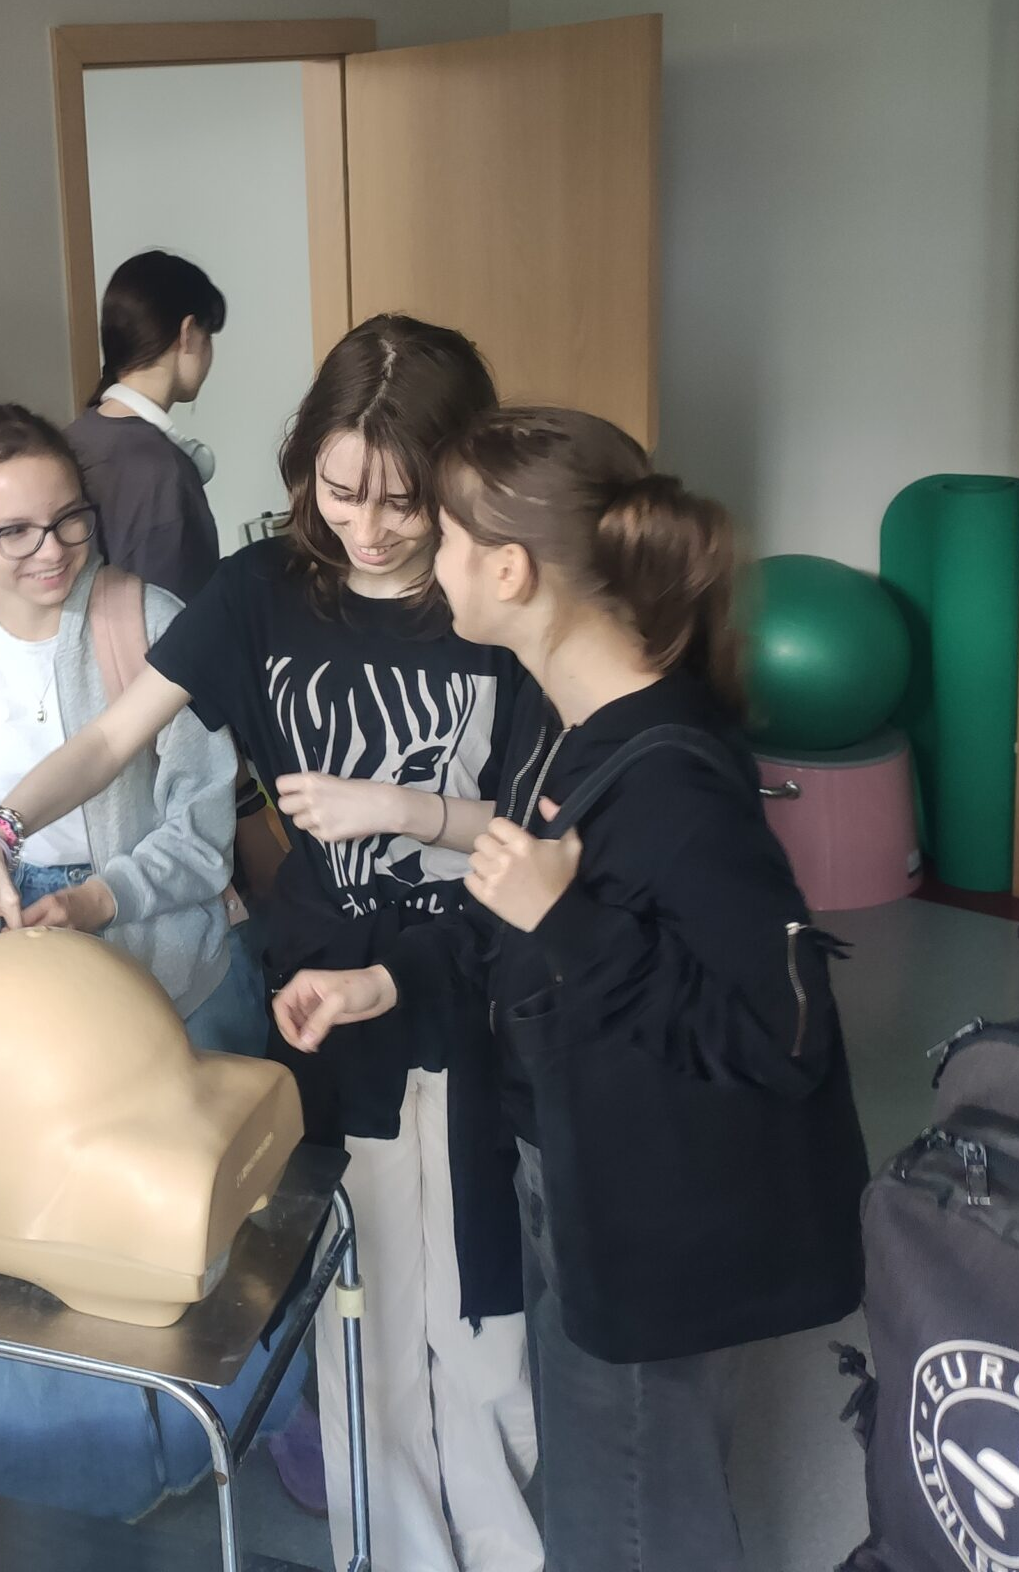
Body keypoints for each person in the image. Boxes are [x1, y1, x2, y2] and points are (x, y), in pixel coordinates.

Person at [0, 317, 541, 1572]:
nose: (370, 529)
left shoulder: (495, 593)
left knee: (478, 1311)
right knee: (358, 1300)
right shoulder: (263, 593)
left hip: (471, 979)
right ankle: (390, 1548)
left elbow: (549, 830)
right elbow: (111, 740)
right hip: (323, 992)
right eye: (341, 492)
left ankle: (500, 1546)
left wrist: (403, 809)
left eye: (404, 502)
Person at [274, 407, 871, 1572]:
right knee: (601, 1490)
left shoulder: (673, 780)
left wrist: (569, 920)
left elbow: (776, 1036)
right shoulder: (564, 726)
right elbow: (510, 915)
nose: (426, 555)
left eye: (447, 536)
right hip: (575, 1174)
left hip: (654, 1218)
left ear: (509, 570)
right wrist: (385, 983)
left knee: (633, 1520)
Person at [0, 400, 265, 1519]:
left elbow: (201, 834)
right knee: (36, 1240)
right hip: (17, 984)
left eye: (70, 519)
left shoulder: (145, 621)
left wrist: (94, 897)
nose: (51, 550)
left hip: (166, 961)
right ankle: (79, 1491)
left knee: (191, 1234)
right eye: (14, 531)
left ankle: (224, 1453)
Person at [65, 250, 228, 600]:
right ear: (188, 333)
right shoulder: (161, 470)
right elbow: (176, 617)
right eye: (208, 337)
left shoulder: (69, 441)